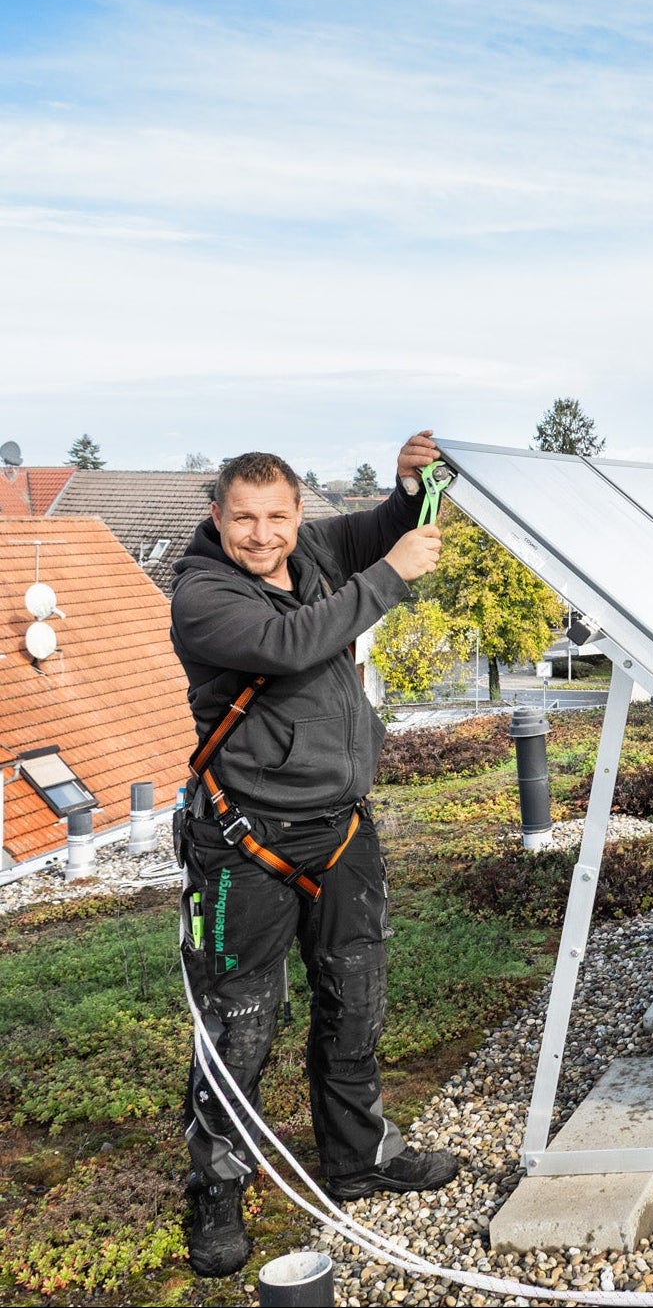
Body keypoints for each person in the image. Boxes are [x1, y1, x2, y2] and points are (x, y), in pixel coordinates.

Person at [170, 433, 456, 1278]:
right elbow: (291, 643)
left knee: (355, 999)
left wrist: (406, 491)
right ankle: (217, 1191)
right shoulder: (202, 595)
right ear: (216, 514)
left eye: (278, 517)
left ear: (298, 513)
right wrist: (393, 575)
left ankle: (358, 1156)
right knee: (241, 1025)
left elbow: (373, 531)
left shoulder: (314, 551)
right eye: (245, 518)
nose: (263, 535)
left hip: (341, 831)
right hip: (244, 844)